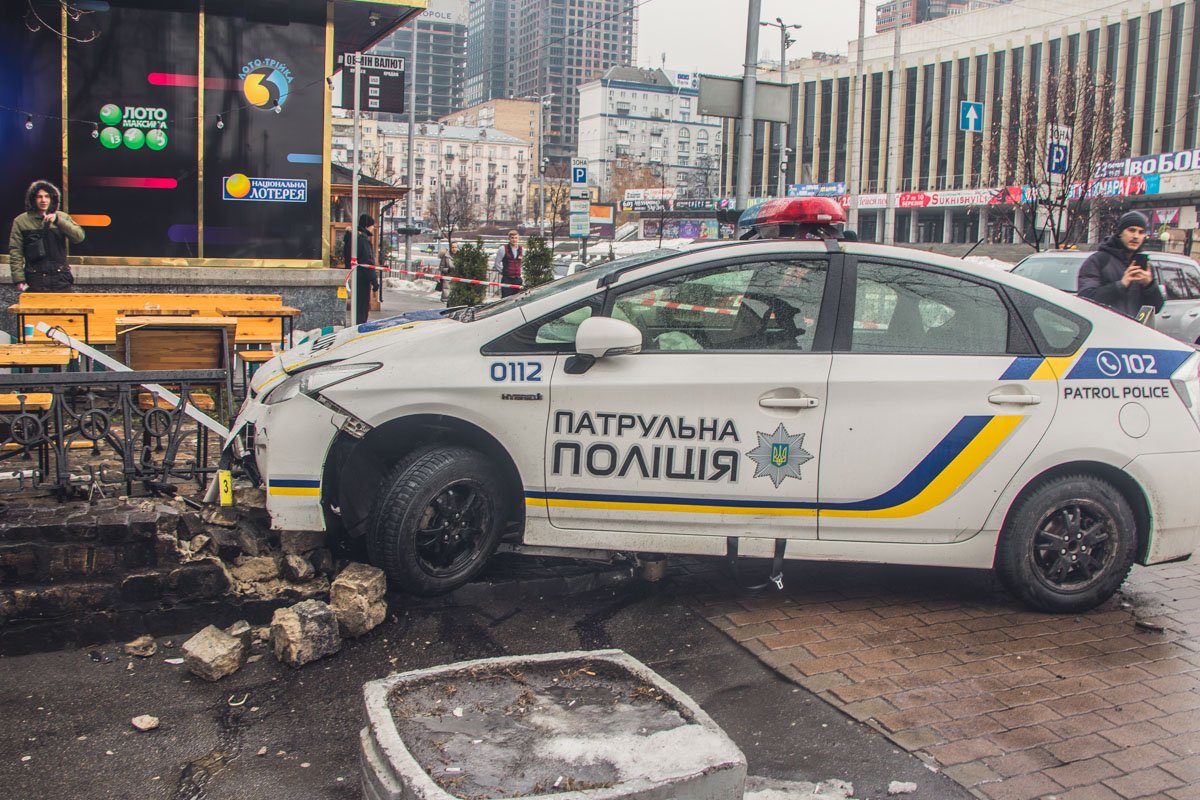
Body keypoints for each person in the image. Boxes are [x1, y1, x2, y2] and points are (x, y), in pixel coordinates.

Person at [1077, 210, 1164, 318]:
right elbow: (1085, 300)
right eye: (1131, 230)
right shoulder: (1099, 260)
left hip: (1133, 331)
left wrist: (1149, 285)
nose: (1136, 236)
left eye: (1141, 232)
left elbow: (1157, 308)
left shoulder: (1144, 265)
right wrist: (1121, 285)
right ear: (1120, 233)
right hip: (1104, 329)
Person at [9, 180, 84, 292]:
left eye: (46, 196)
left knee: (64, 309)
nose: (43, 200)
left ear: (52, 198)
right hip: (35, 279)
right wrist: (19, 280)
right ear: (33, 199)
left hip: (61, 278)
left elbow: (79, 237)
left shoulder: (62, 217)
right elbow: (16, 252)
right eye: (39, 197)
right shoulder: (21, 221)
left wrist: (58, 220)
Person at [342, 213, 381, 325]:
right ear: (367, 225)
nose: (373, 228)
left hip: (353, 275)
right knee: (362, 306)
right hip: (362, 278)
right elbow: (367, 261)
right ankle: (359, 328)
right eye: (372, 225)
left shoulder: (351, 238)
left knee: (356, 305)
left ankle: (356, 325)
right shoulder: (362, 240)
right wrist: (374, 281)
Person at [494, 230, 524, 298]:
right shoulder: (503, 249)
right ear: (509, 239)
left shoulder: (522, 249)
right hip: (507, 279)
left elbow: (522, 263)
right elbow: (497, 264)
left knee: (517, 299)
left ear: (518, 239)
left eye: (516, 238)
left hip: (518, 280)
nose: (514, 240)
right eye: (512, 238)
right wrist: (504, 272)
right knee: (506, 299)